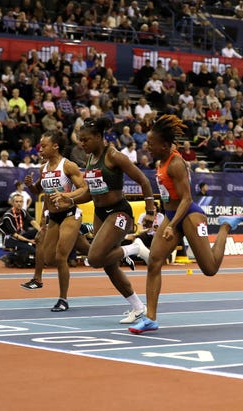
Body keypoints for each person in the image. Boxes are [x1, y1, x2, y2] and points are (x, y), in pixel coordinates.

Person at [128, 114, 243, 334]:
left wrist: (172, 224)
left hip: (190, 216)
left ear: (164, 145)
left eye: (151, 144)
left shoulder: (175, 163)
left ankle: (225, 227)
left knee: (209, 269)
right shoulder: (161, 160)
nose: (148, 147)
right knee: (154, 260)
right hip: (172, 216)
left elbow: (186, 199)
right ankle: (150, 318)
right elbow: (167, 196)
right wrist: (158, 218)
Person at [52, 117, 155, 323]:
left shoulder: (115, 156)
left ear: (99, 137)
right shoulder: (90, 159)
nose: (82, 144)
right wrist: (69, 199)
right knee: (109, 265)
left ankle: (135, 248)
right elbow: (89, 194)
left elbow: (143, 180)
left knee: (95, 258)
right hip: (101, 213)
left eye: (85, 140)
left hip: (119, 212)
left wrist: (151, 211)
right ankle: (137, 307)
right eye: (80, 140)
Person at [23, 130, 90, 311]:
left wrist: (66, 195)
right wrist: (30, 186)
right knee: (52, 257)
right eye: (40, 146)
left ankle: (63, 300)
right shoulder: (43, 169)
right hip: (53, 217)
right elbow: (39, 191)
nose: (40, 149)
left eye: (44, 146)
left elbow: (84, 188)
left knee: (61, 257)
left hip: (70, 214)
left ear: (55, 146)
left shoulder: (68, 166)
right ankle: (105, 254)